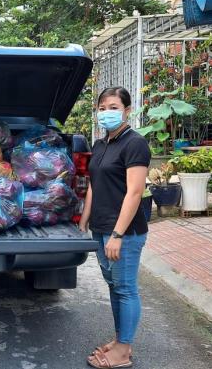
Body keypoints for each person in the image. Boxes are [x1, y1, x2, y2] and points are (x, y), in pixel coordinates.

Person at [79, 87, 150, 368]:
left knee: (125, 288)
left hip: (125, 231)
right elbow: (94, 186)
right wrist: (84, 221)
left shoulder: (135, 144)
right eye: (102, 107)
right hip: (101, 227)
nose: (106, 112)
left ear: (127, 110)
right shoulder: (101, 144)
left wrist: (117, 235)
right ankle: (120, 339)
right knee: (113, 286)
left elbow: (134, 193)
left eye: (113, 107)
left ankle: (123, 351)